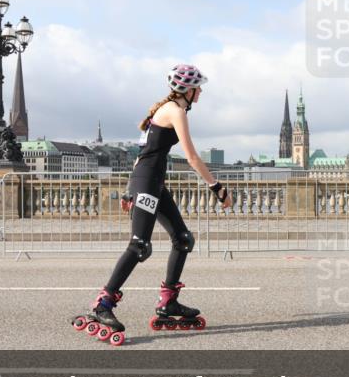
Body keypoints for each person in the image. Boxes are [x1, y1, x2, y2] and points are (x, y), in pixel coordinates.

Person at [72, 64, 233, 344]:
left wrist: (128, 189)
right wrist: (217, 188)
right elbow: (192, 157)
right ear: (189, 89)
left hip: (151, 182)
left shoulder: (167, 109)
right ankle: (103, 304)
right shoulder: (175, 111)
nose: (201, 92)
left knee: (183, 239)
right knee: (139, 245)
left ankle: (168, 302)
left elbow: (141, 155)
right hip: (148, 183)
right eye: (199, 87)